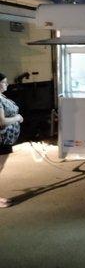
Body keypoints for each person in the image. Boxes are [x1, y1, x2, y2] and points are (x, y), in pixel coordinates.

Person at [0, 73, 24, 208]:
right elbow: (1, 121)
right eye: (4, 82)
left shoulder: (1, 97)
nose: (7, 84)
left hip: (5, 139)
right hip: (1, 139)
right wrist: (18, 118)